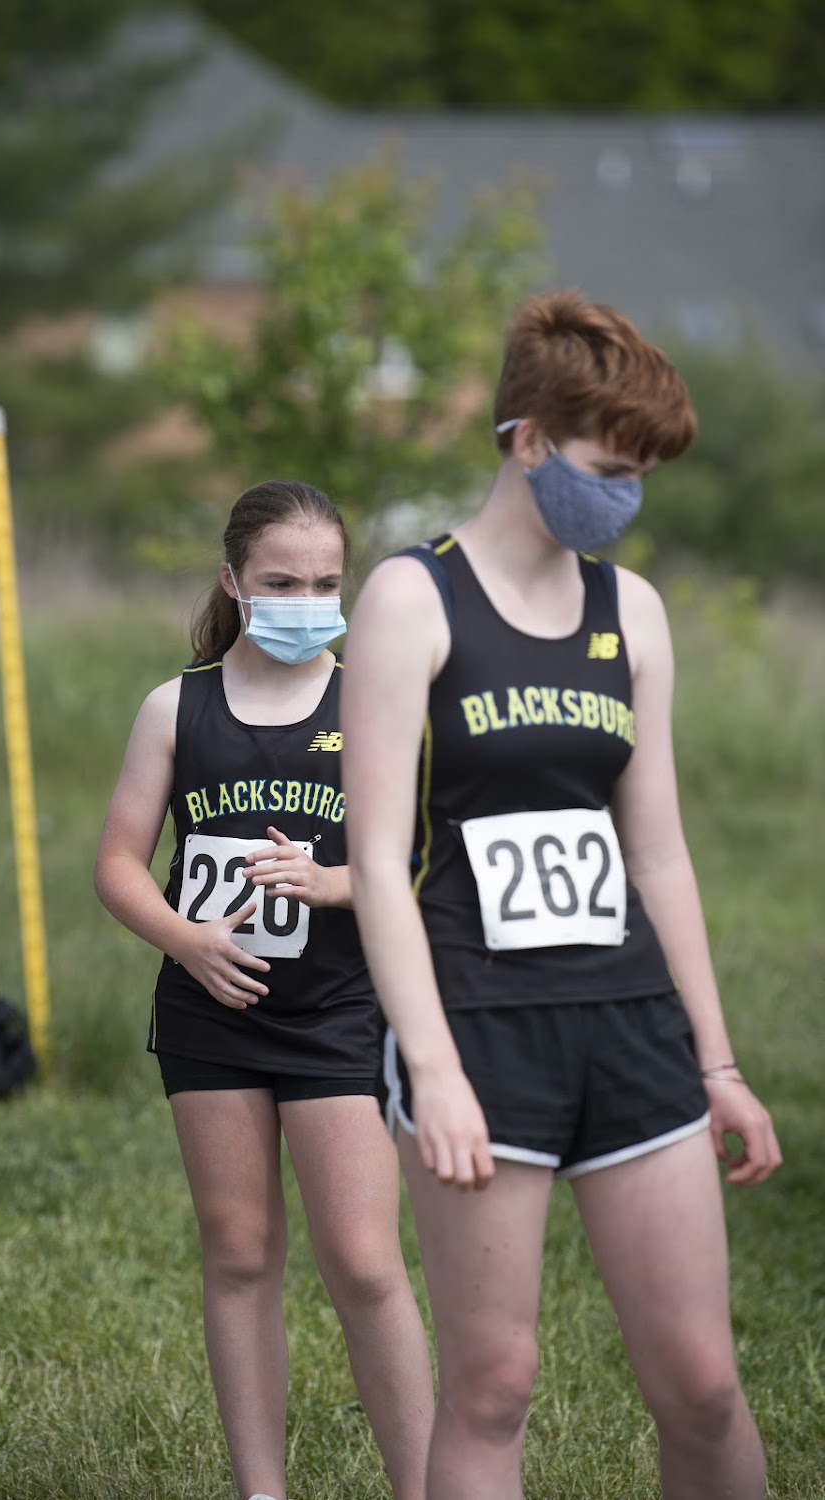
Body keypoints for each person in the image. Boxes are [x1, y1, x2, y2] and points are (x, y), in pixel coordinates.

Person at [340, 290, 782, 1500]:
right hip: (480, 1028)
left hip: (629, 1019)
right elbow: (374, 862)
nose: (625, 497)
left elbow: (659, 855)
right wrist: (430, 1068)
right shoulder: (410, 599)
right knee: (492, 1386)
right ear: (527, 439)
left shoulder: (631, 611)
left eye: (641, 476)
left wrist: (716, 1062)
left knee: (702, 1383)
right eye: (608, 470)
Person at [93, 480, 433, 1500]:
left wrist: (333, 884)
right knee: (238, 1252)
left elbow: (424, 866)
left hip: (338, 1012)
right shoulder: (176, 707)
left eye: (326, 583)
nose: (305, 602)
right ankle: (260, 1491)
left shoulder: (373, 706)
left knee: (363, 1263)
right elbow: (117, 864)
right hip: (213, 1015)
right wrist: (185, 940)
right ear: (233, 581)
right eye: (281, 583)